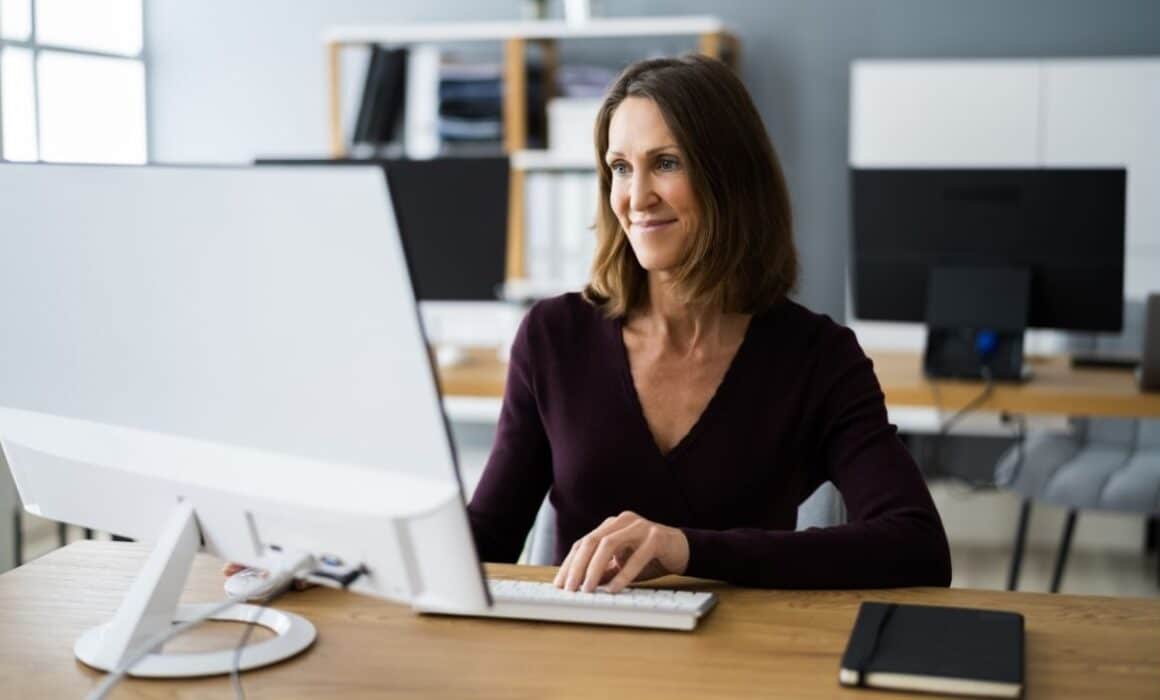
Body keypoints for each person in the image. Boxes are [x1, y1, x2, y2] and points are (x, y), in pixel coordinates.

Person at [467, 54, 952, 593]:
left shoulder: (817, 357)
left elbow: (917, 546)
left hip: (739, 665)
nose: (636, 197)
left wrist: (688, 549)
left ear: (730, 178)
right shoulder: (554, 337)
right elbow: (487, 540)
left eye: (667, 163)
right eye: (621, 168)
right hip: (584, 661)